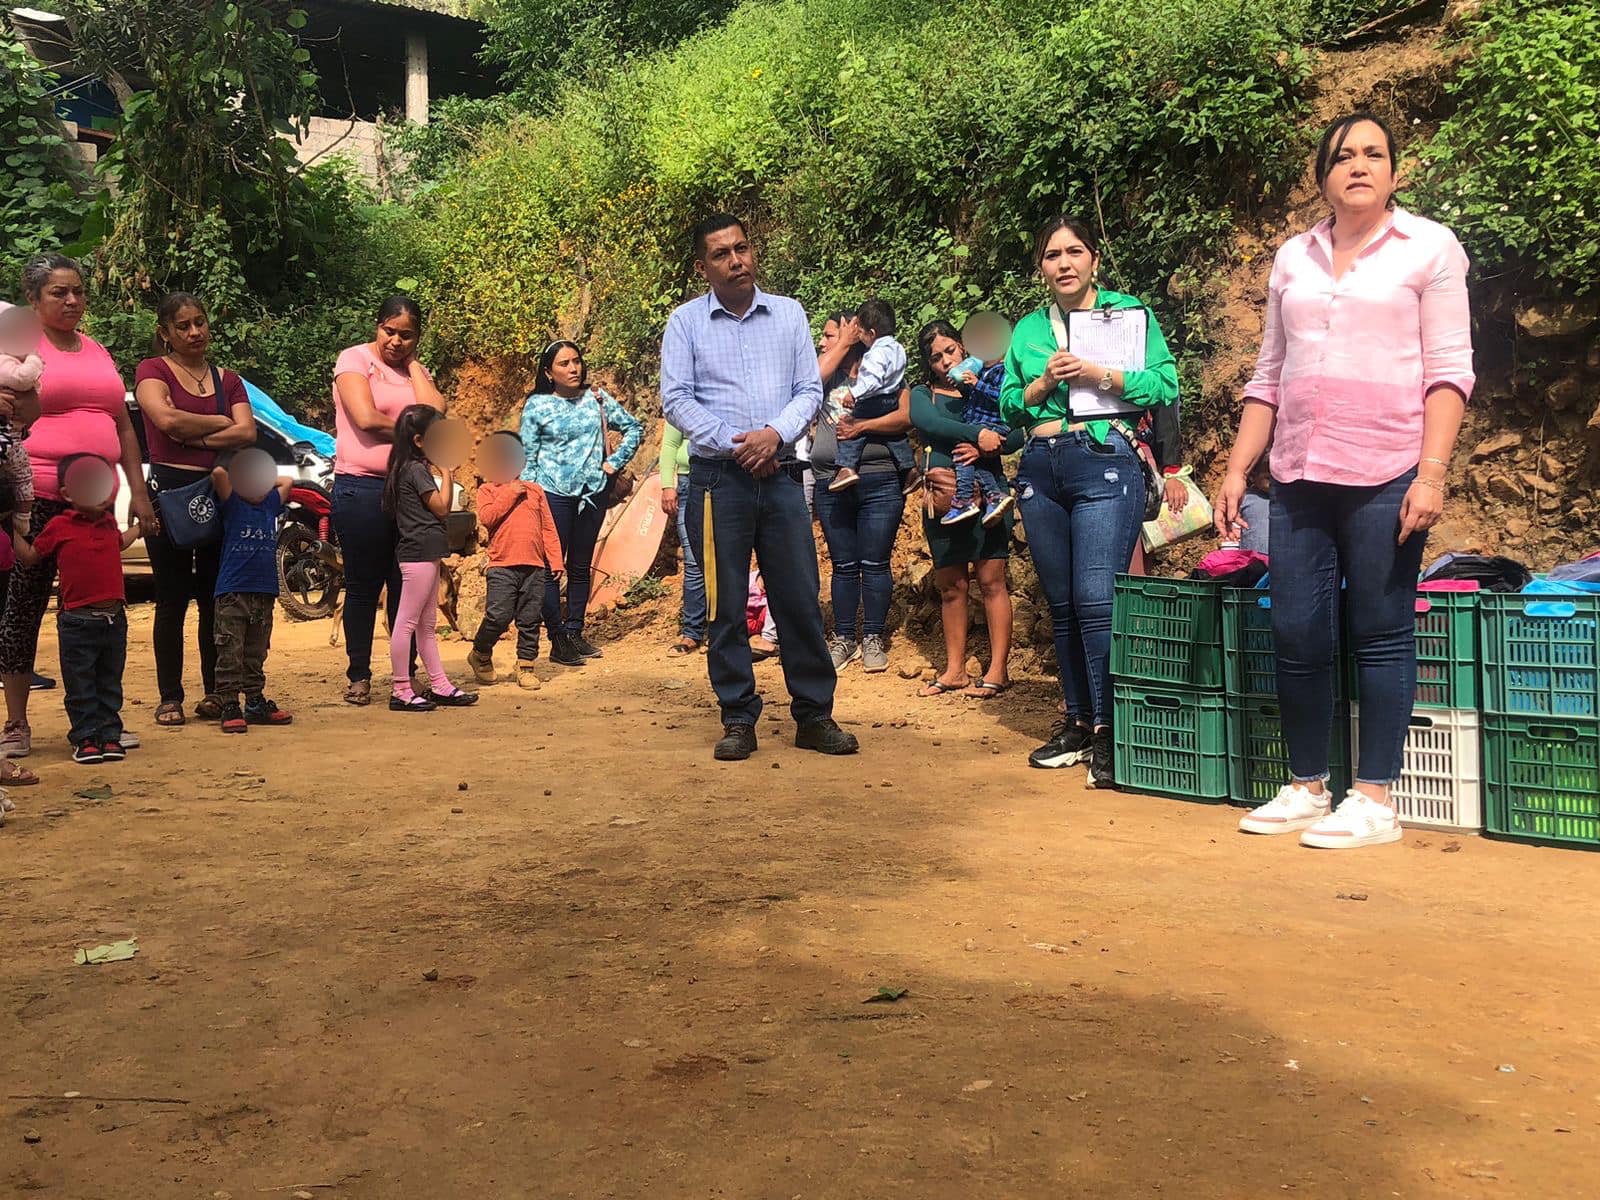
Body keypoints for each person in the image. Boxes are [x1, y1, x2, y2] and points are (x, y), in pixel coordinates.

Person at [1215, 112, 1473, 849]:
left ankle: (1373, 798)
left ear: (1394, 171)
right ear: (1322, 175)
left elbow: (1449, 369)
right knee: (1295, 627)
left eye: (1374, 154)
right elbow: (1269, 372)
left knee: (1380, 631)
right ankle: (1305, 785)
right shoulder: (1293, 256)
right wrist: (1238, 468)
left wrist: (1432, 474)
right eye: (1343, 156)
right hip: (1298, 469)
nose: (1359, 165)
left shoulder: (1428, 248)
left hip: (1388, 468)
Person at [659, 213, 858, 761]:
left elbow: (807, 390)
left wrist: (773, 436)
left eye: (742, 248)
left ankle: (814, 715)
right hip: (715, 482)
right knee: (725, 606)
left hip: (782, 479)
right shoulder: (686, 323)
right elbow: (676, 399)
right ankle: (738, 717)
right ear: (703, 267)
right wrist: (738, 443)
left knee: (797, 599)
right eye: (721, 254)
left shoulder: (789, 314)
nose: (736, 260)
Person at [999, 217, 1180, 786]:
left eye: (1075, 251)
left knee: (1096, 597)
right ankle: (1076, 721)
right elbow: (1008, 406)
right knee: (1063, 604)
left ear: (1094, 260)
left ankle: (1109, 730)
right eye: (1052, 254)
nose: (1064, 262)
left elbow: (1166, 384)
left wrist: (1099, 373)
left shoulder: (1127, 314)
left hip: (1106, 459)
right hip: (1040, 466)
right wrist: (1043, 383)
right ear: (1041, 267)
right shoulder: (1029, 329)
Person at [0, 255, 155, 776]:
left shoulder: (96, 349)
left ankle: (100, 723)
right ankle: (17, 723)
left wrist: (138, 490)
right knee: (24, 608)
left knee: (101, 610)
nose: (71, 301)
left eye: (78, 292)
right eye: (58, 293)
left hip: (95, 502)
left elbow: (123, 425)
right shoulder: (17, 344)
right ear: (33, 299)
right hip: (37, 497)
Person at [134, 291, 259, 727]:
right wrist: (219, 424)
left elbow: (247, 433)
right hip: (168, 493)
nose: (194, 332)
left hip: (217, 493)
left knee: (214, 598)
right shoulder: (152, 370)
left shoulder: (228, 378)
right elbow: (164, 421)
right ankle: (170, 696)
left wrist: (194, 435)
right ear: (165, 334)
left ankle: (216, 692)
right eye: (183, 326)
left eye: (200, 322)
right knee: (170, 598)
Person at [332, 295, 446, 706]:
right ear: (376, 326)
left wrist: (413, 366)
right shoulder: (354, 360)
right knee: (363, 586)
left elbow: (437, 413)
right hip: (360, 487)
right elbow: (363, 418)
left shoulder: (416, 370)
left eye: (408, 335)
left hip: (408, 492)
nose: (396, 341)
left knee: (407, 586)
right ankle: (359, 675)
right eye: (389, 331)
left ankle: (406, 675)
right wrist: (414, 433)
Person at [910, 319, 1024, 698]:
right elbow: (927, 422)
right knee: (951, 587)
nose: (945, 361)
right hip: (944, 498)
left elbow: (1020, 427)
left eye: (950, 351)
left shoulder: (992, 381)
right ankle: (955, 670)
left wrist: (991, 445)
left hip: (989, 496)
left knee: (992, 582)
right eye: (936, 357)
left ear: (964, 347)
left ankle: (998, 670)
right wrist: (977, 434)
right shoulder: (923, 394)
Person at [519, 340, 642, 666]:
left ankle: (575, 631)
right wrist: (529, 496)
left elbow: (634, 427)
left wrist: (614, 462)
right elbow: (528, 457)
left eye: (576, 361)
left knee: (580, 566)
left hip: (592, 494)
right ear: (548, 372)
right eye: (564, 364)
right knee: (549, 570)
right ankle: (557, 637)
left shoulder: (596, 399)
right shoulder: (537, 406)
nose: (573, 368)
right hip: (552, 495)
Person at [14, 454, 140, 764]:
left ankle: (110, 734)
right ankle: (85, 737)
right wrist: (8, 529)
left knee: (110, 681)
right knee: (80, 684)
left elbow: (117, 543)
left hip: (115, 619)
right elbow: (31, 556)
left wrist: (140, 529)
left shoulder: (109, 521)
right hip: (76, 622)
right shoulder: (59, 525)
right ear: (68, 493)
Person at [810, 376, 911, 675]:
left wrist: (862, 426)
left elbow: (906, 417)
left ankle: (872, 637)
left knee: (876, 562)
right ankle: (844, 638)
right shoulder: (823, 375)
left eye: (830, 334)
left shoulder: (887, 373)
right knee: (843, 565)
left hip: (880, 477)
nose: (825, 342)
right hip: (829, 480)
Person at [384, 405, 478, 712]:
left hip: (425, 551)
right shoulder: (415, 470)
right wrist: (448, 471)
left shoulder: (408, 467)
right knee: (408, 622)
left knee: (425, 624)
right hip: (419, 553)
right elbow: (441, 508)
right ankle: (401, 688)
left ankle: (440, 685)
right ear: (420, 441)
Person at [467, 430, 565, 689]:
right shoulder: (488, 491)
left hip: (534, 566)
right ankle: (480, 653)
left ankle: (526, 666)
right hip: (501, 566)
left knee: (530, 618)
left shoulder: (536, 491)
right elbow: (488, 518)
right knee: (498, 616)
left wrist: (555, 560)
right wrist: (510, 492)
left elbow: (548, 528)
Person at [209, 449, 294, 734]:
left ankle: (255, 700)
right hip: (233, 591)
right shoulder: (233, 504)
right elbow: (218, 474)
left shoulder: (269, 504)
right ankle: (229, 703)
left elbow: (287, 481)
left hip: (263, 591)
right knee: (230, 650)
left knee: (256, 650)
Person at [825, 298, 912, 491]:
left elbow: (873, 380)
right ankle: (908, 468)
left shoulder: (875, 353)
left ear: (871, 333)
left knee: (850, 427)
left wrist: (854, 393)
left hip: (873, 398)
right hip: (890, 398)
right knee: (895, 437)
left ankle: (846, 467)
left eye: (860, 332)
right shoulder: (898, 348)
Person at [941, 311, 1015, 527]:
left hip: (990, 424)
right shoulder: (984, 369)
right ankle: (994, 496)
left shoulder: (1004, 370)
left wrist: (977, 384)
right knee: (975, 460)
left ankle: (964, 499)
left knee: (962, 455)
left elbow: (1003, 398)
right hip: (979, 422)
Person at [659, 422, 705, 656]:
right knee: (693, 559)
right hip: (688, 482)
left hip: (725, 482)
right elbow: (669, 443)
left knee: (726, 559)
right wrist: (668, 485)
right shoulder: (685, 394)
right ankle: (692, 632)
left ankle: (724, 631)